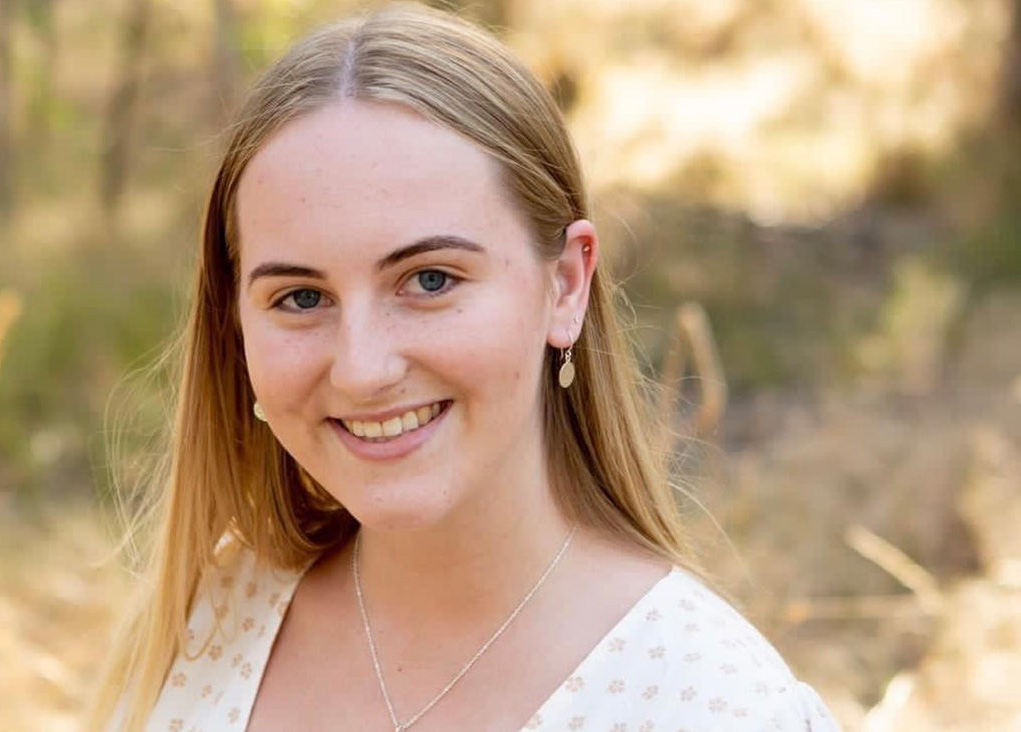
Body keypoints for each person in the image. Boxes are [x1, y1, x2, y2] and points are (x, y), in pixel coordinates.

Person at [87, 4, 840, 731]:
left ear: (565, 286)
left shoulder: (714, 707)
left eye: (430, 280)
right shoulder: (206, 628)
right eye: (301, 296)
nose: (361, 368)